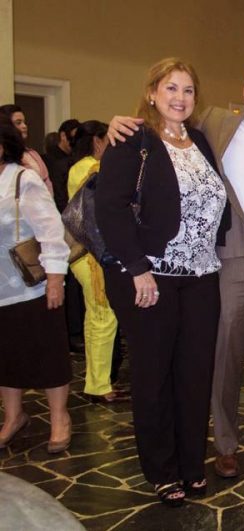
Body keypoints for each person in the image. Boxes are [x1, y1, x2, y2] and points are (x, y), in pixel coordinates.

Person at [108, 60, 244, 479]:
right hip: (230, 262)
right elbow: (154, 134)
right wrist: (118, 123)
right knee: (223, 359)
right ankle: (225, 443)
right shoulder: (217, 126)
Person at [96, 58, 228, 507]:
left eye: (188, 90)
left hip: (202, 278)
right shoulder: (132, 139)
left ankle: (192, 464)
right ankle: (162, 470)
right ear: (152, 92)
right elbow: (110, 209)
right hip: (151, 277)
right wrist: (136, 268)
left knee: (194, 377)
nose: (180, 98)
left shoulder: (202, 141)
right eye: (171, 88)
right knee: (153, 379)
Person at [0, 120, 72, 454]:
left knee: (47, 355)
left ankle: (60, 418)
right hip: (0, 292)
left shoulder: (22, 179)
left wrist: (55, 280)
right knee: (6, 358)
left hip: (30, 287)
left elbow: (51, 230)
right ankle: (14, 416)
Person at [67, 120, 125, 403]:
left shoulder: (76, 167)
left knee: (96, 318)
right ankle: (100, 385)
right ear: (98, 142)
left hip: (82, 255)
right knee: (103, 318)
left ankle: (95, 381)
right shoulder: (92, 168)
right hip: (93, 256)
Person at [0, 104, 53, 194]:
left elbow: (47, 182)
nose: (24, 126)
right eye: (18, 122)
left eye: (24, 122)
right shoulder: (4, 155)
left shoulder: (33, 154)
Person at [45, 118, 81, 212]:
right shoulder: (50, 160)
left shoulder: (76, 157)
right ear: (63, 136)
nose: (75, 142)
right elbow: (58, 195)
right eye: (72, 138)